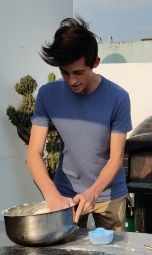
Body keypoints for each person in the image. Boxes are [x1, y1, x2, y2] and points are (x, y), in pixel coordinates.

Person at [27, 17, 132, 232]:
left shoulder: (118, 98)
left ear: (95, 63)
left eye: (78, 72)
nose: (71, 80)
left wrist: (92, 193)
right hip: (65, 194)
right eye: (64, 72)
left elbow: (115, 158)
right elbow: (34, 153)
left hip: (109, 193)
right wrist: (52, 196)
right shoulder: (47, 95)